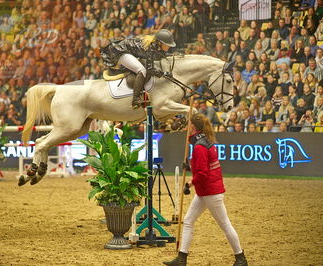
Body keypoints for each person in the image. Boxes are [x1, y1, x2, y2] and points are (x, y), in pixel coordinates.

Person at [163, 113, 248, 266]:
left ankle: (240, 258)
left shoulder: (200, 146)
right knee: (188, 221)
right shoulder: (203, 141)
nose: (187, 127)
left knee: (225, 224)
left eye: (189, 124)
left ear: (193, 127)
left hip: (210, 192)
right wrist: (190, 167)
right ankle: (182, 259)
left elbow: (202, 174)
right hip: (205, 191)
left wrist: (189, 184)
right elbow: (203, 167)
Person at [101, 29, 176, 109]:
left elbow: (159, 54)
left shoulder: (155, 45)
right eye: (167, 44)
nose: (169, 46)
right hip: (118, 52)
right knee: (142, 70)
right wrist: (164, 73)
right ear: (160, 43)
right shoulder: (150, 47)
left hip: (122, 50)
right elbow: (150, 69)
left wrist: (172, 55)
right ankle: (135, 99)